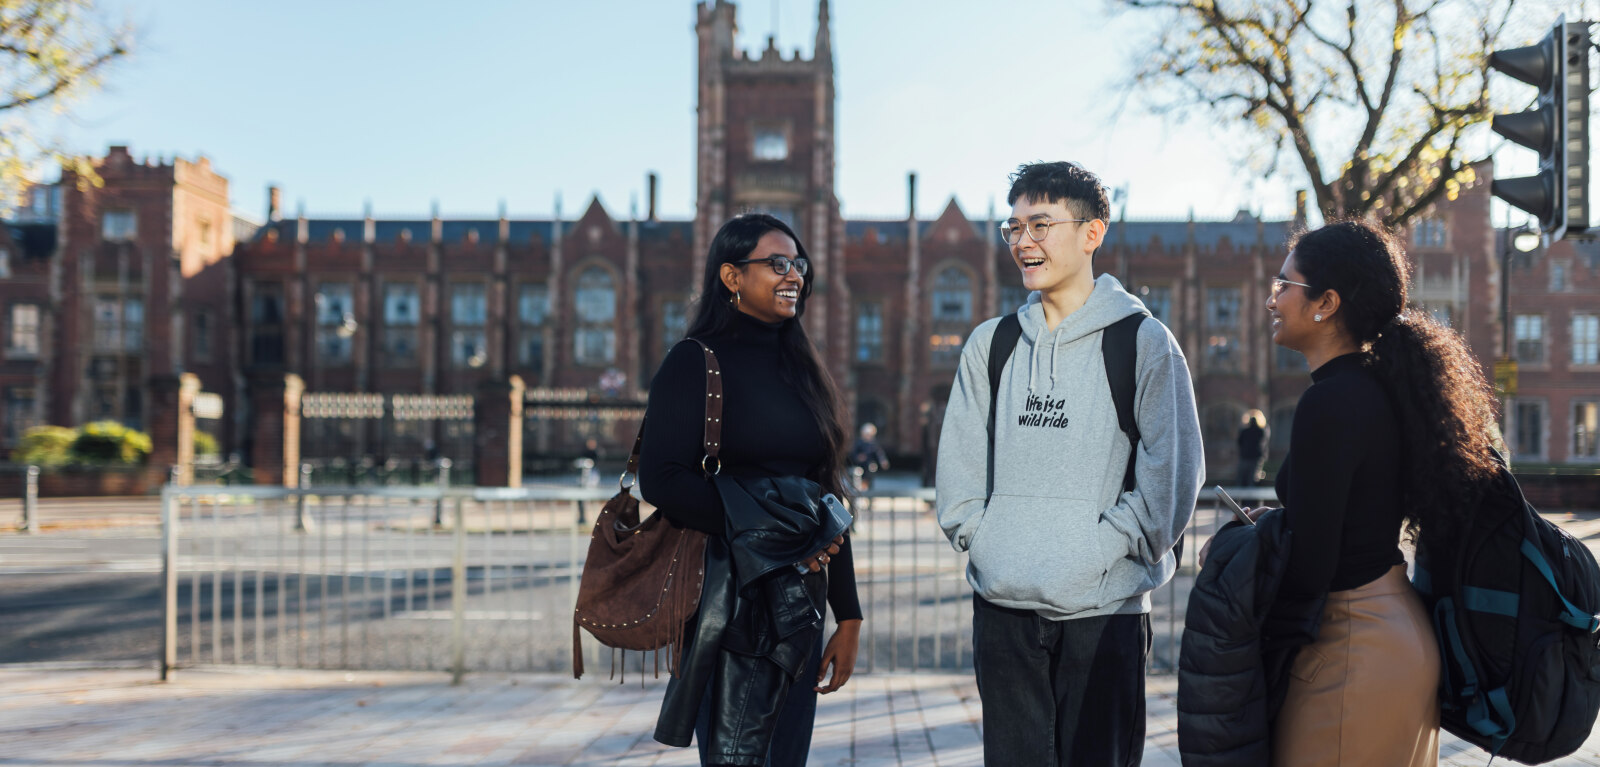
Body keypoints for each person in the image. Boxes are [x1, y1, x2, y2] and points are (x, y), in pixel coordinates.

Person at [935, 161, 1205, 766]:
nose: (1024, 241)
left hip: (1103, 614)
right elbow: (957, 469)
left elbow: (1176, 475)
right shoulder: (992, 344)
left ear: (1092, 233)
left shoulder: (1143, 341)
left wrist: (1105, 547)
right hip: (1003, 613)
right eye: (1014, 227)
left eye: (1041, 224)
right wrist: (987, 539)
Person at [1240, 219, 1498, 765]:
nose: (1272, 300)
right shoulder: (1379, 390)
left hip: (1353, 646)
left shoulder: (1331, 402)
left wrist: (1251, 551)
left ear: (1325, 303)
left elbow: (1313, 566)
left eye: (1284, 285)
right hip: (1390, 634)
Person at [640, 213, 862, 767]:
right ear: (732, 277)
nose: (795, 276)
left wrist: (849, 614)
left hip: (802, 605)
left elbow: (825, 495)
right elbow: (661, 478)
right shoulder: (695, 360)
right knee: (737, 755)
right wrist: (764, 529)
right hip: (731, 598)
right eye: (777, 264)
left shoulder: (803, 368)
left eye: (799, 265)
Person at [848, 422, 889, 492]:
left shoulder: (873, 444)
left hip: (869, 464)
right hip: (860, 464)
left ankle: (867, 486)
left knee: (871, 469)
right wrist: (858, 457)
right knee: (857, 473)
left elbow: (879, 453)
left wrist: (883, 461)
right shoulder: (859, 443)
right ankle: (860, 486)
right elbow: (853, 454)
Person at [1234, 409, 1268, 487]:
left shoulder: (1244, 431)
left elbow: (1239, 442)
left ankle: (1239, 497)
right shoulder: (1261, 431)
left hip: (1245, 457)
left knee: (1241, 479)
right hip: (1255, 458)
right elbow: (1263, 444)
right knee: (1252, 480)